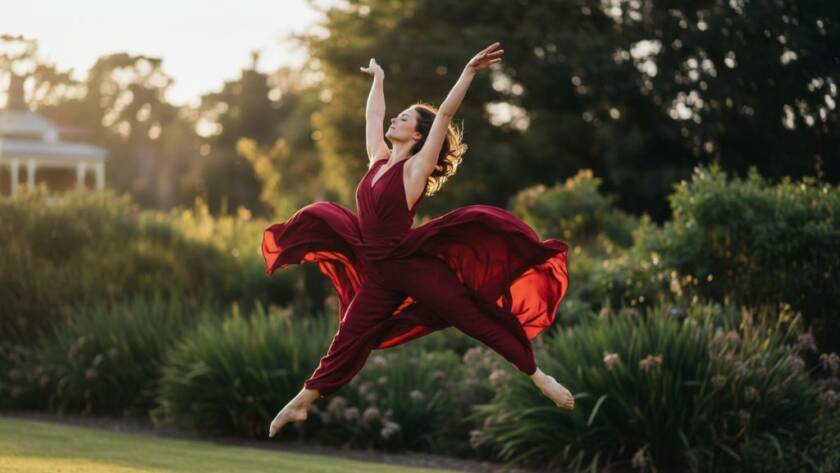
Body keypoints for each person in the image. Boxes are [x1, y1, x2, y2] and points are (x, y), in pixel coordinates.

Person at [266, 42, 573, 439]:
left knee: (471, 316)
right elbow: (374, 115)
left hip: (410, 266)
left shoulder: (415, 171)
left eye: (405, 118)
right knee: (350, 335)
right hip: (377, 270)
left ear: (418, 134)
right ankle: (301, 403)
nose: (395, 119)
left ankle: (540, 377)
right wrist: (378, 81)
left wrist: (468, 71)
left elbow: (444, 114)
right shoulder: (378, 160)